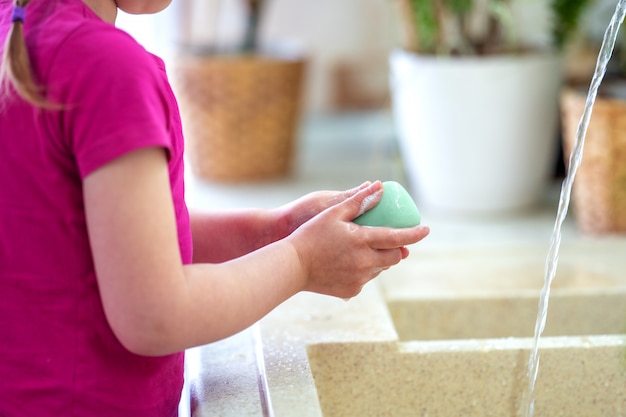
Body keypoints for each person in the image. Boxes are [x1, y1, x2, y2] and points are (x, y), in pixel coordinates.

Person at [0, 0, 430, 415]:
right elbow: (156, 317)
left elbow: (107, 243)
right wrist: (301, 261)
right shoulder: (108, 69)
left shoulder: (16, 37)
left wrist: (270, 231)